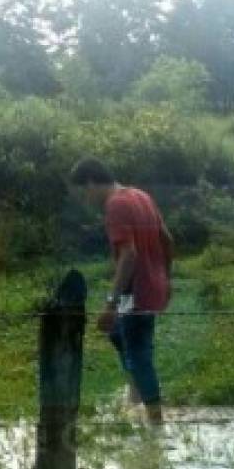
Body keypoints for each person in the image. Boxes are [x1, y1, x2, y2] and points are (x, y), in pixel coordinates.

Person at [69, 157, 173, 424]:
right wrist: (166, 278)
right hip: (152, 284)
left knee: (139, 354)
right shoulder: (140, 195)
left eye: (84, 191)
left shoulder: (115, 205)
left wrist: (110, 304)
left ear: (92, 182)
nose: (86, 198)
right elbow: (167, 238)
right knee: (118, 334)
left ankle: (156, 422)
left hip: (135, 293)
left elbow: (129, 255)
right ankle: (136, 390)